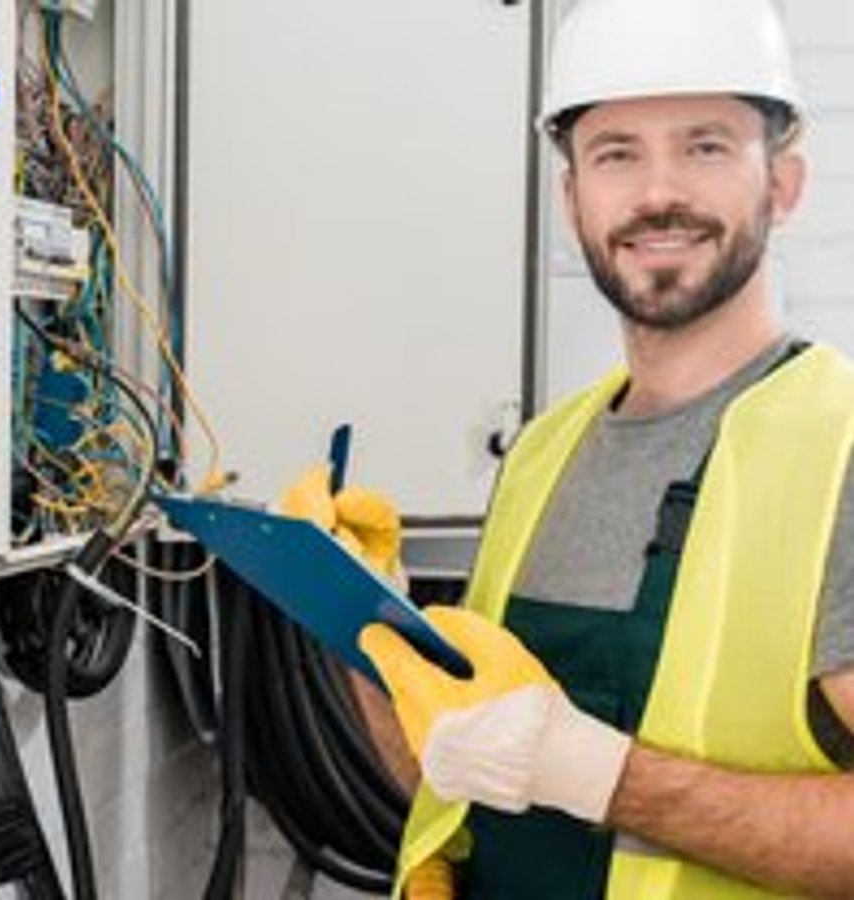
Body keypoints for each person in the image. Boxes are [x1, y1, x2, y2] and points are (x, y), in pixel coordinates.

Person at [356, 0, 854, 897]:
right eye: (617, 154)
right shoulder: (543, 453)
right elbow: (464, 783)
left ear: (782, 184)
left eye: (705, 147)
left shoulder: (839, 445)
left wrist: (610, 781)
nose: (658, 193)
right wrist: (365, 629)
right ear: (572, 197)